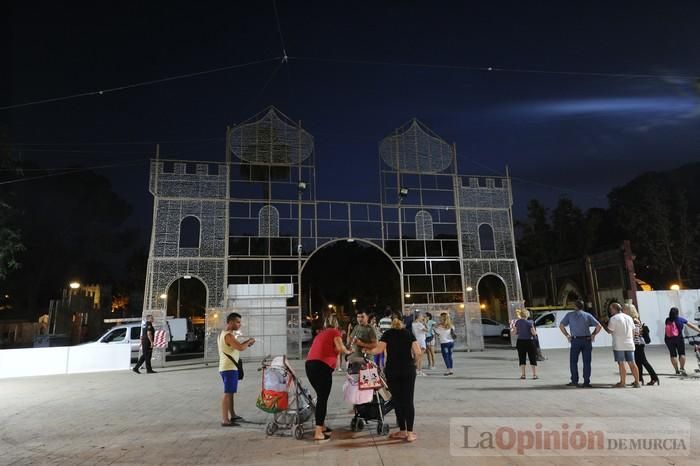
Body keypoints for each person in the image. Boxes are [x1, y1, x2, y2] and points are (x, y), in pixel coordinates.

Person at [369, 316, 422, 442]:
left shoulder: (387, 334)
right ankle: (409, 433)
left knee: (397, 400)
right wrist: (413, 363)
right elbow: (418, 352)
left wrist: (366, 350)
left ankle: (402, 430)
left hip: (392, 370)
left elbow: (378, 350)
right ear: (402, 323)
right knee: (408, 400)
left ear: (391, 324)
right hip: (408, 370)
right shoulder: (408, 334)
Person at [305, 315, 351, 441]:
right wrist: (349, 352)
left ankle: (322, 426)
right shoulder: (334, 332)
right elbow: (340, 347)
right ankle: (318, 431)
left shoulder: (322, 334)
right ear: (337, 325)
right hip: (321, 367)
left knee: (321, 396)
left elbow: (335, 349)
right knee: (322, 398)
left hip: (310, 366)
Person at [218, 312, 255, 427]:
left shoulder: (224, 334)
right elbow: (240, 348)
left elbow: (237, 346)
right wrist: (248, 342)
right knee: (227, 393)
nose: (240, 325)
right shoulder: (228, 335)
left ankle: (233, 415)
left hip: (228, 367)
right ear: (231, 322)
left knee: (231, 393)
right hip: (229, 368)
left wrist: (246, 343)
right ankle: (225, 419)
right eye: (238, 322)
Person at [558, 300, 602, 388]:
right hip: (587, 340)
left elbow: (561, 325)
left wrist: (567, 335)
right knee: (587, 362)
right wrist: (593, 334)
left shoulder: (569, 315)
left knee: (573, 361)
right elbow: (599, 326)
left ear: (575, 306)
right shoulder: (587, 315)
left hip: (575, 340)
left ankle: (574, 380)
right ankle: (586, 382)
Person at [604, 302, 640, 388]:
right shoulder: (629, 317)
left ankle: (623, 382)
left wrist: (604, 325)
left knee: (621, 363)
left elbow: (610, 331)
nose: (610, 311)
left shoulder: (613, 318)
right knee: (632, 363)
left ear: (614, 309)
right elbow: (633, 330)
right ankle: (637, 382)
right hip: (630, 343)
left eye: (610, 309)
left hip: (619, 344)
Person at [623, 303, 659, 386]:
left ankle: (654, 377)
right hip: (637, 343)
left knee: (643, 361)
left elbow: (636, 333)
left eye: (624, 309)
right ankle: (639, 379)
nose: (623, 311)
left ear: (628, 311)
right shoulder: (633, 319)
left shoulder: (634, 320)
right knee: (638, 362)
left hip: (638, 343)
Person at [664, 307, 700, 375]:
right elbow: (691, 326)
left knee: (673, 354)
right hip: (679, 339)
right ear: (677, 313)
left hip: (668, 339)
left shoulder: (667, 320)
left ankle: (676, 370)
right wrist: (698, 330)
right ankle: (682, 368)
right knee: (682, 353)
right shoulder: (680, 319)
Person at [513, 309, 538, 379]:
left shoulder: (517, 322)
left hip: (520, 342)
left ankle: (523, 375)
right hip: (529, 342)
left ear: (521, 315)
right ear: (527, 315)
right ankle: (534, 375)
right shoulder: (530, 322)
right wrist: (535, 333)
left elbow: (514, 332)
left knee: (522, 358)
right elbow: (533, 333)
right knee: (532, 358)